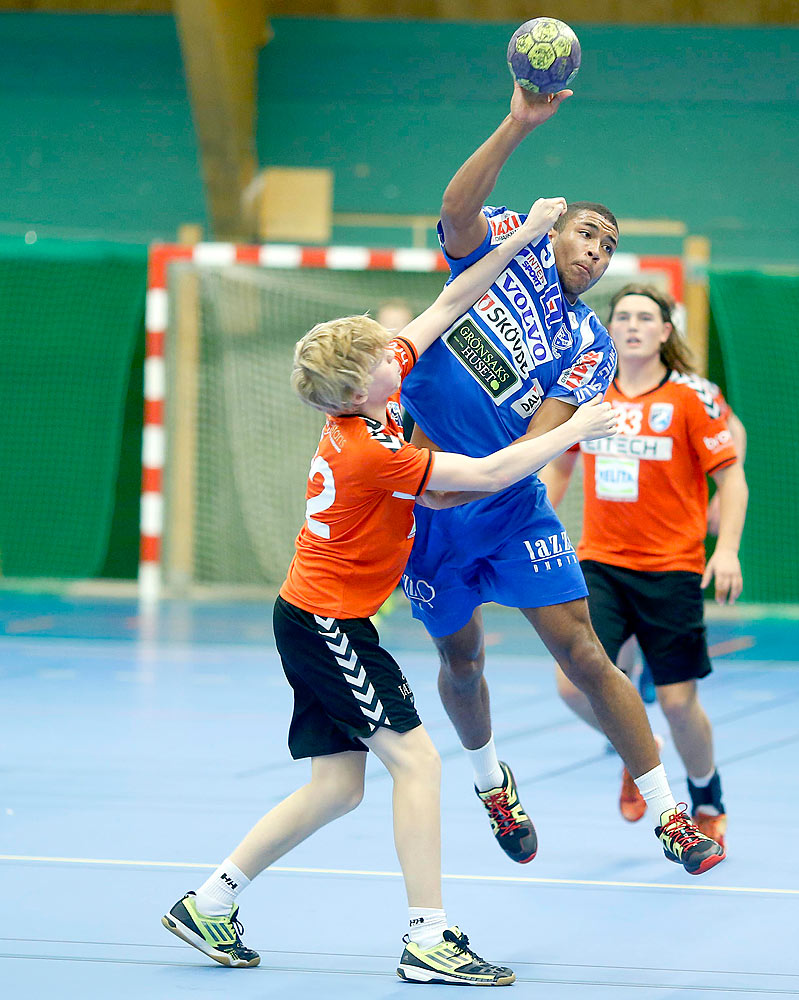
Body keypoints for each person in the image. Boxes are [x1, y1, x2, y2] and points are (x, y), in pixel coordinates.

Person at [161, 198, 619, 987]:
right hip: (327, 626)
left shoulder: (377, 397)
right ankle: (427, 936)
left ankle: (210, 902)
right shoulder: (370, 448)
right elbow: (476, 477)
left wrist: (521, 238)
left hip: (314, 617)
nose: (398, 352)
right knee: (419, 765)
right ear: (358, 386)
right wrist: (575, 428)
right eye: (382, 355)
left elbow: (451, 299)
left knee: (338, 788)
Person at [399, 82, 724, 876]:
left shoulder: (587, 342)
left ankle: (672, 813)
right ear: (557, 228)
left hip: (501, 499)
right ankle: (491, 784)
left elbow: (545, 437)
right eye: (589, 232)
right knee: (462, 662)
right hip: (427, 499)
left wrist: (475, 483)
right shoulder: (508, 240)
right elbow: (454, 212)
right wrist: (517, 124)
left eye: (610, 247)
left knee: (583, 652)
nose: (598, 250)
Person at [540, 284, 748, 849]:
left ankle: (705, 794)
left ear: (664, 331)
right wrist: (525, 522)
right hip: (600, 564)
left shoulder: (691, 397)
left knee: (680, 704)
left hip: (672, 569)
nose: (632, 325)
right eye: (623, 316)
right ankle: (642, 751)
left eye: (645, 318)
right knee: (572, 686)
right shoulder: (589, 395)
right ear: (610, 328)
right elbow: (559, 467)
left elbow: (731, 476)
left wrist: (725, 548)